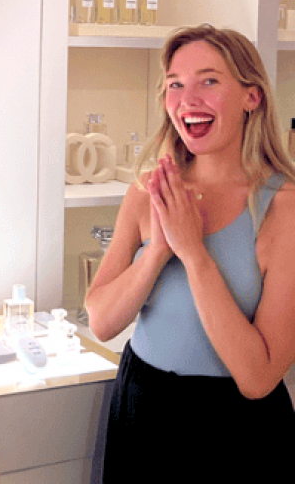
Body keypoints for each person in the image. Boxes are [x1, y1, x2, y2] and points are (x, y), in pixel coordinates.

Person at [85, 25, 295, 481]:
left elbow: (258, 379)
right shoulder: (148, 192)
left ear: (252, 97)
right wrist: (159, 251)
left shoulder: (284, 209)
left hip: (238, 431)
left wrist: (193, 254)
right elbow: (101, 321)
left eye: (209, 81)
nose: (188, 99)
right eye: (175, 85)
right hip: (141, 408)